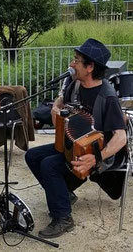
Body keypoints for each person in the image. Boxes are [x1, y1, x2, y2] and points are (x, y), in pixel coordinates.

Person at [25, 38, 127, 238]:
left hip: (95, 154)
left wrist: (97, 158)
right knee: (32, 156)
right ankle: (64, 194)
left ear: (90, 67)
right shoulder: (75, 84)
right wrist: (55, 108)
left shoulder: (107, 97)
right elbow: (61, 100)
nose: (72, 64)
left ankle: (63, 217)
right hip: (71, 146)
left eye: (76, 60)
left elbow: (121, 137)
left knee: (49, 165)